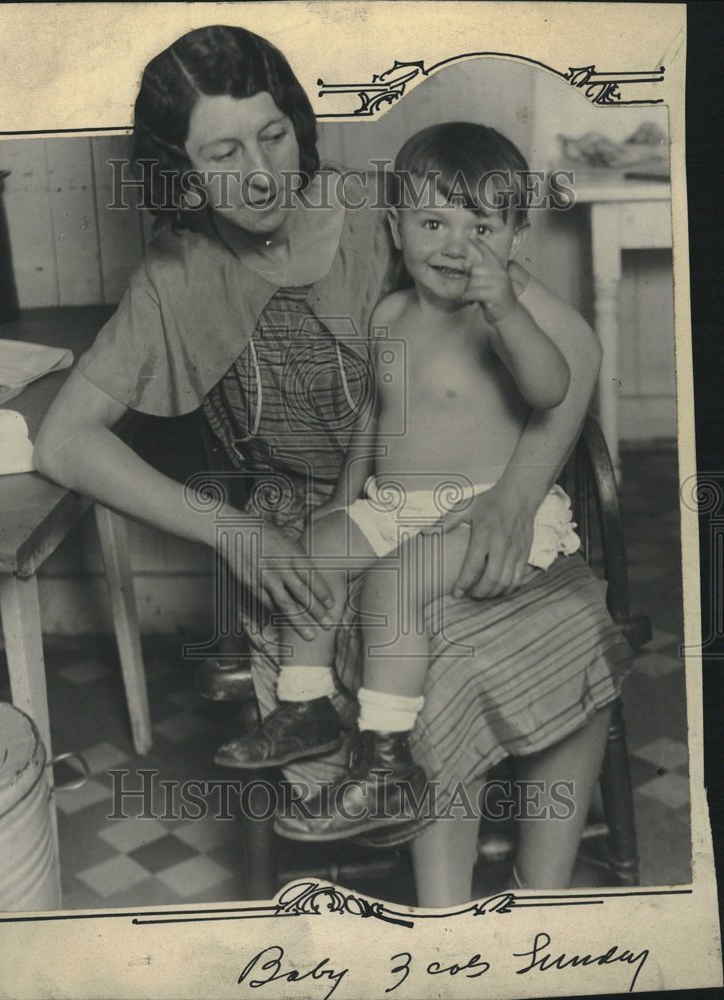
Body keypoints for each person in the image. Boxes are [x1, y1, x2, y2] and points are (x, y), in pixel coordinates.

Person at [34, 25, 631, 907]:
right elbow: (62, 441)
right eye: (223, 153)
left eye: (273, 136)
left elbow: (559, 344)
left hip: (489, 501)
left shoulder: (387, 210)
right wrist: (233, 532)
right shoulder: (174, 275)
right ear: (180, 171)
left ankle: (500, 907)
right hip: (338, 527)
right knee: (391, 626)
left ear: (299, 126)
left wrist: (514, 496)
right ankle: (439, 903)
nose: (262, 174)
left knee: (461, 647)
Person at [215, 122, 623, 859]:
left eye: (482, 227)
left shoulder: (507, 322)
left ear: (516, 239)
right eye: (432, 222)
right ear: (395, 227)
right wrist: (344, 498)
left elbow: (551, 387)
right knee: (314, 551)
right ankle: (305, 706)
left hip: (483, 510)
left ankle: (385, 761)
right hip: (395, 507)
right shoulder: (389, 315)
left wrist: (505, 312)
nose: (454, 246)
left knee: (391, 589)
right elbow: (379, 411)